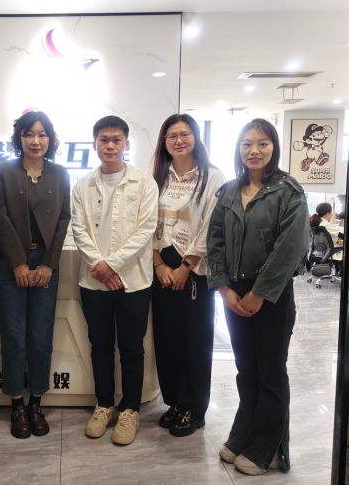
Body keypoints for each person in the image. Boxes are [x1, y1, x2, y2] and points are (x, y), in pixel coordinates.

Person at [207, 118, 309, 476]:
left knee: (270, 371)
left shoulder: (288, 191)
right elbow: (215, 241)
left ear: (274, 148)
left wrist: (260, 293)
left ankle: (269, 448)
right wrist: (224, 288)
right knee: (246, 370)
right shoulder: (229, 192)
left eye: (262, 143)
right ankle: (245, 433)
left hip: (272, 293)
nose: (254, 150)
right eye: (247, 144)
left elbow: (291, 248)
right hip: (234, 291)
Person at [71, 115, 159, 446]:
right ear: (94, 144)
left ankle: (130, 409)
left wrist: (113, 266)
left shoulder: (144, 182)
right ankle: (104, 405)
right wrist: (101, 266)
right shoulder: (82, 185)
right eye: (104, 140)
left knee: (132, 349)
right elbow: (79, 229)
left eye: (116, 140)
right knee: (101, 347)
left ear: (126, 144)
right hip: (94, 282)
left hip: (134, 282)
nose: (110, 145)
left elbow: (146, 229)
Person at [0, 110, 71, 439]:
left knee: (40, 335)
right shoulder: (5, 170)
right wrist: (18, 262)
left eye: (42, 134)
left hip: (46, 262)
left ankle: (36, 403)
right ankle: (16, 404)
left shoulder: (60, 174)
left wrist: (48, 263)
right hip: (12, 262)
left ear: (50, 139)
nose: (36, 140)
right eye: (28, 134)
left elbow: (64, 219)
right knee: (12, 335)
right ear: (19, 138)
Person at [150, 114, 225, 437]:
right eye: (171, 136)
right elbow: (145, 223)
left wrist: (185, 267)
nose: (178, 140)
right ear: (164, 141)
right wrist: (158, 264)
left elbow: (212, 225)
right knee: (168, 339)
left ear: (195, 137)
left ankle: (194, 408)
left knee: (196, 340)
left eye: (185, 134)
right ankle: (175, 403)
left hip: (194, 270)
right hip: (161, 267)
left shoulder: (212, 177)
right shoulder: (157, 176)